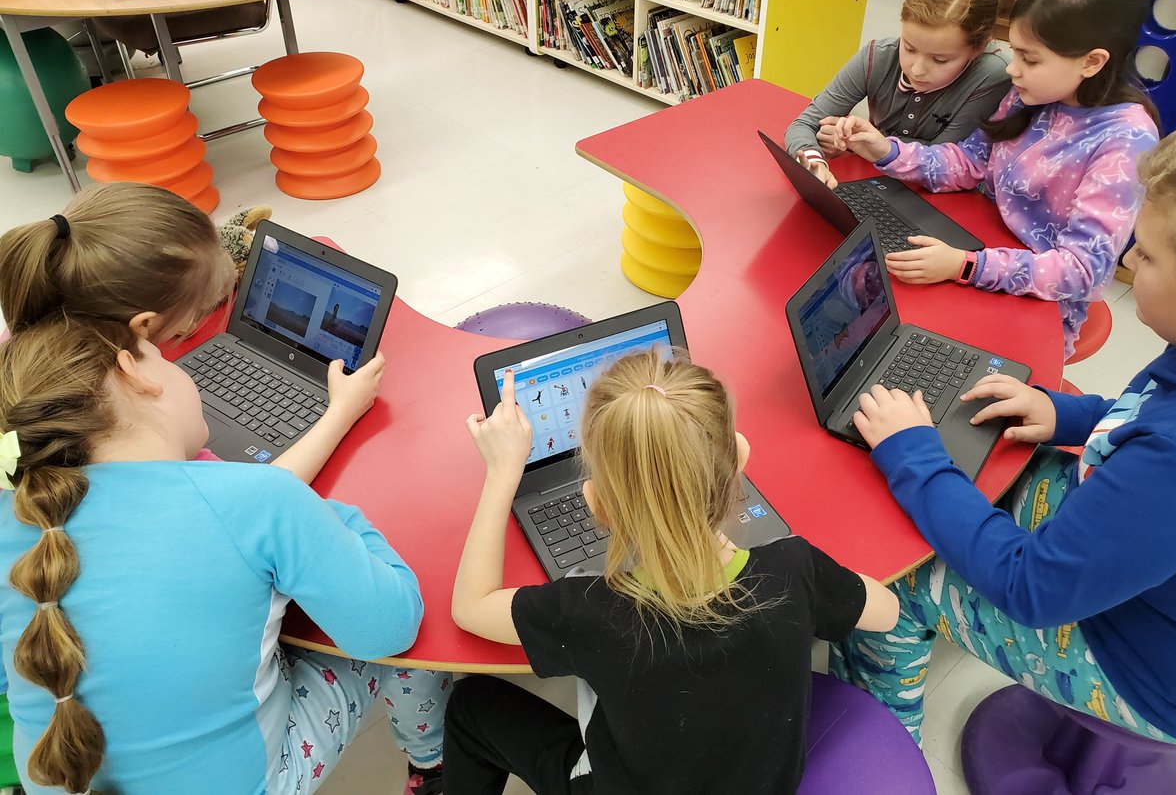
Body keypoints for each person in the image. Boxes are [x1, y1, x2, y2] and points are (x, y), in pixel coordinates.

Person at [0, 184, 451, 791]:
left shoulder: (17, 503)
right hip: (253, 781)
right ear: (135, 367)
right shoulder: (263, 501)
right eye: (163, 354)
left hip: (59, 774)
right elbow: (389, 628)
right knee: (405, 643)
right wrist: (334, 518)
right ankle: (432, 762)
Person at [831, 127, 1176, 748]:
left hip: (1139, 668)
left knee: (884, 579)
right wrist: (1064, 413)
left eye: (1150, 255)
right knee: (988, 456)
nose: (1130, 260)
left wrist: (915, 454)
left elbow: (1033, 589)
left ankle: (879, 746)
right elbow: (1142, 415)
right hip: (1134, 564)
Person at [447, 352, 900, 793]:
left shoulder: (585, 609)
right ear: (739, 457)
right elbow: (888, 612)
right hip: (768, 783)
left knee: (470, 705)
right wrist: (817, 586)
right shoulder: (794, 568)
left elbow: (470, 607)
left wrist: (503, 472)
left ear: (596, 504)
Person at [827, 0, 1160, 358]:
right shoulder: (1032, 95)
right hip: (976, 249)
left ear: (1092, 62)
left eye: (1030, 59)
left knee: (906, 342)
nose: (1012, 70)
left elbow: (1081, 270)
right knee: (854, 282)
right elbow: (970, 162)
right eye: (1015, 52)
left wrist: (967, 266)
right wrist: (887, 151)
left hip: (1037, 301)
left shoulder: (1125, 139)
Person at [0, 182, 382, 485]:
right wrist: (342, 411)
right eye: (194, 309)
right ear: (143, 328)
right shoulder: (144, 451)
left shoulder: (25, 348)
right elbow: (267, 491)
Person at [784, 0, 1009, 188]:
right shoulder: (878, 56)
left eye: (939, 60)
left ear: (978, 48)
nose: (917, 69)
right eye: (909, 47)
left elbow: (945, 161)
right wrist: (814, 163)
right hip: (879, 185)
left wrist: (863, 143)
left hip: (942, 199)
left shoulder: (992, 76)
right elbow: (804, 124)